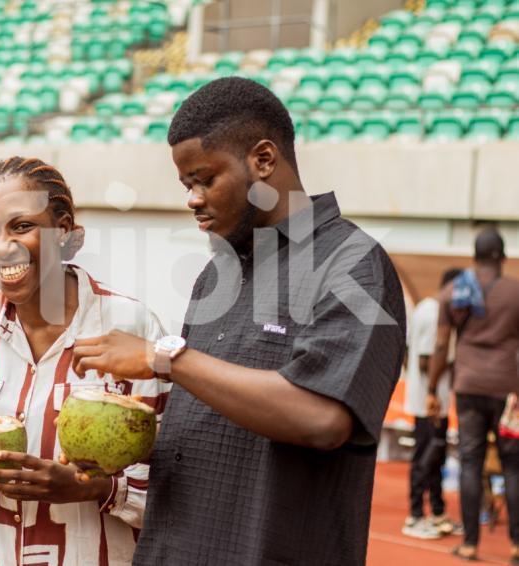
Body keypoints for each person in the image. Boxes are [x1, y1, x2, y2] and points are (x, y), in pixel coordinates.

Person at [72, 77, 406, 565]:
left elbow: (322, 419)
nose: (192, 198)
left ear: (263, 160)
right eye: (187, 184)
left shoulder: (351, 263)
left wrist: (164, 359)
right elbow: (205, 428)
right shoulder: (215, 274)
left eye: (205, 178)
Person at [0, 156, 170, 565]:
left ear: (64, 234)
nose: (2, 246)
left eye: (22, 226)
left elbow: (174, 488)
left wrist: (94, 488)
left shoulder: (131, 325)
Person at [427, 228, 519, 562]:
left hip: (467, 387)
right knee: (513, 466)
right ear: (503, 256)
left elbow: (440, 344)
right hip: (507, 391)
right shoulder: (515, 292)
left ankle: (469, 544)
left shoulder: (453, 291)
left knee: (470, 462)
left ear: (475, 255)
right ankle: (516, 545)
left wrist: (431, 389)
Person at [402, 267, 462, 539]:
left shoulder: (429, 308)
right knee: (424, 457)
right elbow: (427, 360)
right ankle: (415, 516)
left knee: (435, 456)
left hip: (431, 398)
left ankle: (437, 512)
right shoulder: (433, 312)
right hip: (429, 402)